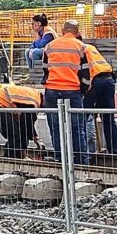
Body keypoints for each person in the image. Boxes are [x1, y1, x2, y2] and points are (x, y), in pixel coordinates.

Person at [39, 18, 94, 163]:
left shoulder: (50, 46)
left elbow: (45, 69)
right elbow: (86, 74)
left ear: (62, 31)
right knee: (77, 128)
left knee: (55, 127)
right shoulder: (81, 47)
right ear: (77, 33)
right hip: (72, 90)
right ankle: (81, 161)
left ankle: (60, 158)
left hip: (51, 90)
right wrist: (82, 91)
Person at [0, 81, 42, 158]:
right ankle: (10, 159)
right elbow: (26, 122)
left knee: (17, 133)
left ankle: (15, 157)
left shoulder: (35, 96)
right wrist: (35, 137)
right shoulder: (33, 103)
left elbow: (26, 123)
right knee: (14, 134)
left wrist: (34, 137)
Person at [84, 40, 117, 157]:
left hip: (94, 81)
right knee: (109, 119)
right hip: (108, 79)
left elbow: (81, 72)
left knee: (82, 117)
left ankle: (85, 153)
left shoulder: (77, 48)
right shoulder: (90, 47)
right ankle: (115, 154)